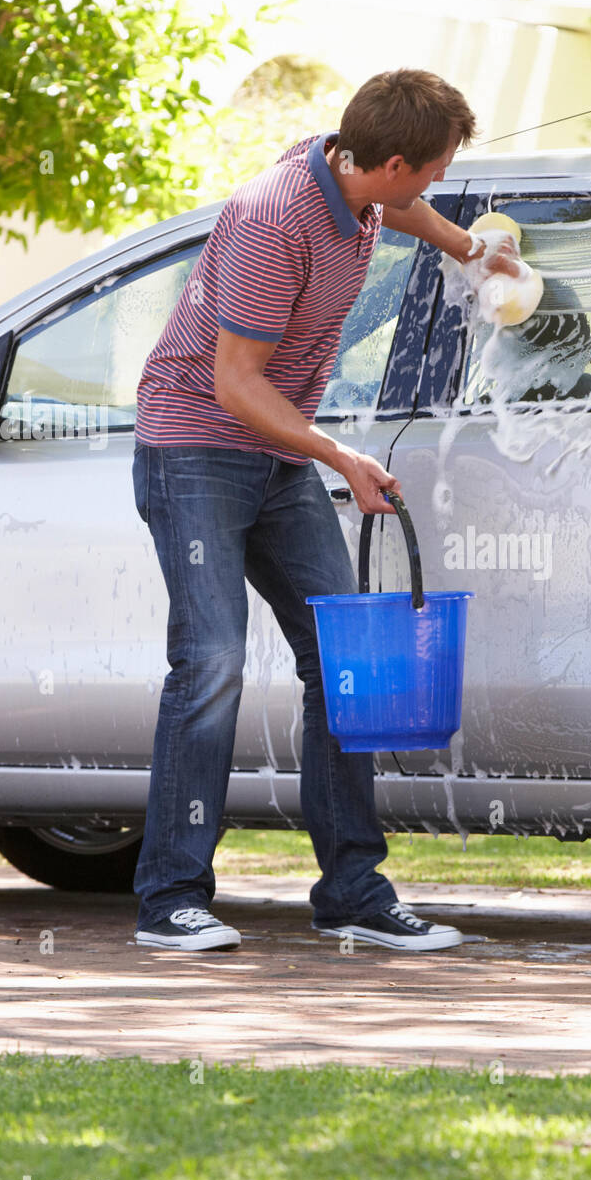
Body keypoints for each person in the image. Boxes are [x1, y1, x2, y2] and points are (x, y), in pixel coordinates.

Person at [130, 69, 519, 952]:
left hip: (274, 452)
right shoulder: (276, 221)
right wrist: (340, 456)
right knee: (212, 662)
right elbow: (233, 384)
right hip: (197, 445)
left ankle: (352, 890)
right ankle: (170, 896)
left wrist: (469, 248)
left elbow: (404, 212)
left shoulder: (349, 180)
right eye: (430, 172)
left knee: (345, 663)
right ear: (387, 160)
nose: (434, 187)